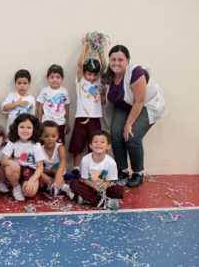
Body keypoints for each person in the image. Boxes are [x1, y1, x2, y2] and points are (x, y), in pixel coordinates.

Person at [102, 45, 167, 188]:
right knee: (115, 135)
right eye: (113, 59)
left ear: (128, 60)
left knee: (132, 137)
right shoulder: (110, 73)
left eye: (120, 59)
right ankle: (123, 171)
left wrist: (128, 124)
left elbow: (139, 101)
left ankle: (138, 173)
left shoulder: (135, 72)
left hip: (145, 105)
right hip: (125, 105)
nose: (116, 63)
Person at [69, 41, 105, 176]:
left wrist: (100, 49)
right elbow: (79, 65)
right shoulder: (80, 82)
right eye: (89, 74)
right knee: (78, 144)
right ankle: (76, 168)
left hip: (95, 119)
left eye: (95, 75)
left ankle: (93, 168)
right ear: (84, 73)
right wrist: (85, 46)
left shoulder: (99, 83)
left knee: (95, 144)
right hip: (81, 118)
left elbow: (104, 67)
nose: (92, 77)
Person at [70, 130, 124, 210]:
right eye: (95, 142)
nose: (98, 143)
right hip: (90, 186)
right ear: (91, 146)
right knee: (74, 183)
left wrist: (103, 186)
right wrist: (95, 187)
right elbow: (85, 180)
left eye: (102, 142)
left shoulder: (111, 163)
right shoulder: (85, 159)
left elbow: (110, 181)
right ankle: (104, 202)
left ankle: (87, 198)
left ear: (108, 146)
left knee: (119, 189)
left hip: (104, 188)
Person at [1, 113, 44, 201]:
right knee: (8, 168)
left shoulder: (36, 145)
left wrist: (32, 180)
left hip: (31, 171)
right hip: (17, 169)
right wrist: (10, 162)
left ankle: (23, 184)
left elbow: (40, 167)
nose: (25, 130)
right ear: (16, 128)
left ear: (34, 129)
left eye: (29, 127)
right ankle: (16, 188)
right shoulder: (12, 142)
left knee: (29, 193)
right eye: (22, 127)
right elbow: (3, 160)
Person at [37, 64, 70, 144]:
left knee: (59, 145)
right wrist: (39, 124)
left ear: (62, 78)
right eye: (52, 77)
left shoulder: (64, 92)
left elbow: (67, 108)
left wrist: (67, 123)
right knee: (44, 144)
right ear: (47, 78)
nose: (55, 80)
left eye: (58, 77)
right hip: (46, 123)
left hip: (60, 123)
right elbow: (39, 109)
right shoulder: (44, 91)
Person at [41, 121, 74, 199]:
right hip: (48, 174)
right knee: (38, 172)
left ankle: (55, 186)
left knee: (57, 166)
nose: (50, 139)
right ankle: (62, 187)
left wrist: (58, 174)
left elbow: (63, 162)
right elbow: (40, 168)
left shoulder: (60, 147)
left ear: (58, 136)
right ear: (41, 136)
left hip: (60, 172)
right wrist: (50, 171)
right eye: (46, 136)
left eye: (53, 136)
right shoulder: (40, 149)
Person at [2, 69, 36, 134]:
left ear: (29, 84)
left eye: (25, 83)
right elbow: (4, 108)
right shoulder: (11, 96)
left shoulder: (31, 99)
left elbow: (32, 116)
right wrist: (16, 103)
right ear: (15, 83)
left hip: (25, 132)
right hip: (12, 129)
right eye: (19, 83)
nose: (22, 86)